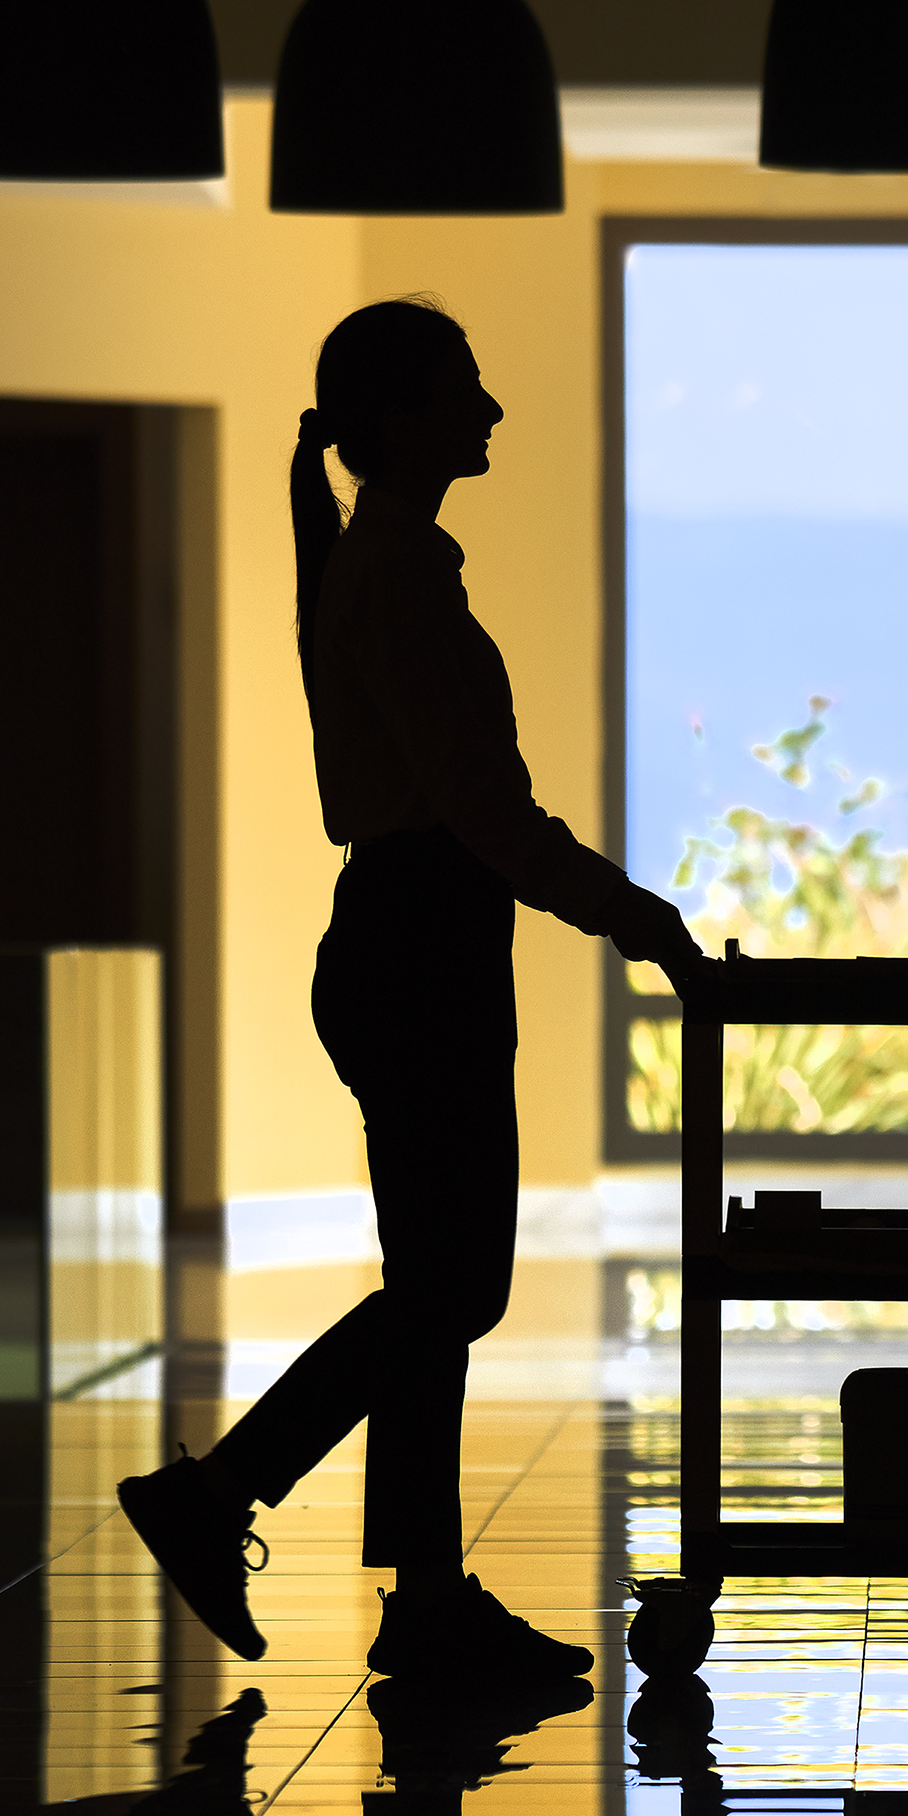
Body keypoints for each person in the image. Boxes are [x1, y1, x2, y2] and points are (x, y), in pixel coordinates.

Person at [118, 297, 700, 1693]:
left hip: (404, 937)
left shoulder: (370, 559)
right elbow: (485, 809)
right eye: (466, 392)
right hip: (424, 938)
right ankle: (225, 1500)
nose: (492, 413)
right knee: (450, 1287)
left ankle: (423, 1595)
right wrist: (637, 917)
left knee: (439, 1289)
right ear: (399, 420)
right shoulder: (398, 577)